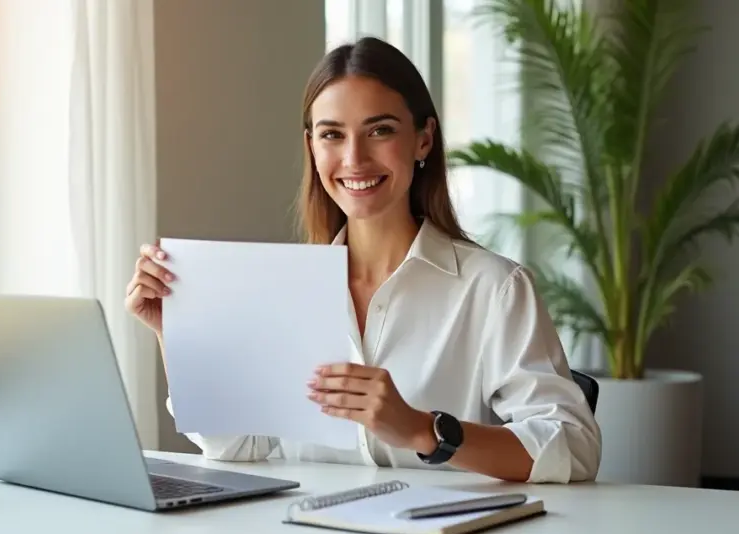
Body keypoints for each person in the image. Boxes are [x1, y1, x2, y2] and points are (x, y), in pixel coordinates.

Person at [124, 37, 601, 484]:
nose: (354, 158)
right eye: (332, 134)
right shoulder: (282, 290)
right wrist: (177, 332)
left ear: (423, 140)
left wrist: (422, 430)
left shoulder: (494, 289)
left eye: (380, 130)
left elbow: (573, 447)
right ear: (312, 146)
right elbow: (238, 445)